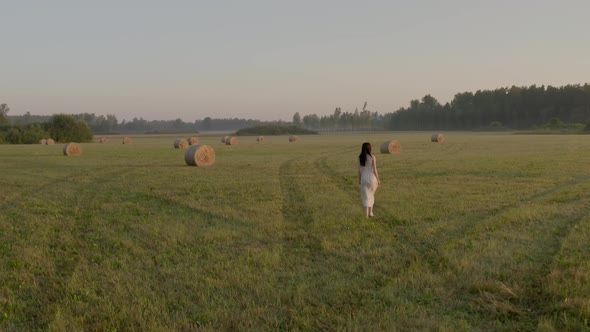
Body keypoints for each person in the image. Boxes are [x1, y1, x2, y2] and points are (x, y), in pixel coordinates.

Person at [358, 142, 380, 218]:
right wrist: (378, 179)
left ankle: (366, 215)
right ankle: (371, 213)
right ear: (370, 148)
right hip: (372, 177)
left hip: (364, 177)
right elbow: (375, 169)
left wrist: (359, 180)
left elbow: (360, 170)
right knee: (371, 194)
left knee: (365, 196)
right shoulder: (373, 157)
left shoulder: (360, 157)